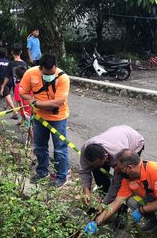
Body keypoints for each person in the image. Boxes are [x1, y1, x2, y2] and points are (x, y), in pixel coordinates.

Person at [84, 149, 157, 238]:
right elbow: (116, 202)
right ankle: (153, 221)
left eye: (119, 168)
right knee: (129, 200)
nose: (117, 171)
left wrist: (141, 210)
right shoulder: (128, 179)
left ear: (128, 168)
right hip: (156, 200)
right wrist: (96, 222)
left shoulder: (155, 171)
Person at [20, 54, 70, 188]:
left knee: (60, 149)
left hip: (58, 118)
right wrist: (34, 103)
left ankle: (62, 176)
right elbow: (23, 93)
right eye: (47, 74)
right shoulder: (30, 73)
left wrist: (36, 103)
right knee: (39, 146)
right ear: (40, 68)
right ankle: (42, 171)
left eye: (52, 73)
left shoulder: (63, 78)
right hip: (39, 118)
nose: (50, 76)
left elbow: (58, 102)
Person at [79, 125, 145, 204]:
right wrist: (86, 190)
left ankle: (121, 208)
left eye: (98, 164)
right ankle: (105, 198)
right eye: (93, 164)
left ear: (106, 157)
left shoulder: (118, 156)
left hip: (134, 140)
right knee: (98, 174)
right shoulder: (86, 149)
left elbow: (116, 184)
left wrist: (104, 205)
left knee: (126, 178)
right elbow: (84, 171)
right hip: (115, 135)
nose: (95, 166)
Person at [14, 65, 33, 142]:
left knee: (28, 126)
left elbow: (19, 100)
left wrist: (23, 111)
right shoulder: (31, 84)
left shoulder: (18, 86)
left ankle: (33, 140)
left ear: (17, 76)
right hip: (34, 107)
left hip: (25, 110)